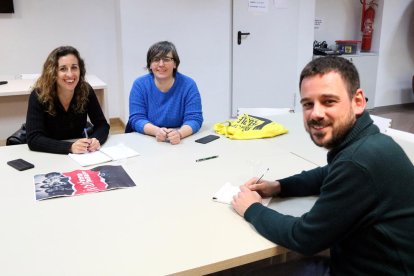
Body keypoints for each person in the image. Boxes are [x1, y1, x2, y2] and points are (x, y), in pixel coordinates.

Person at [232, 56, 414, 275]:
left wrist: (252, 209)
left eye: (329, 101)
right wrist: (280, 186)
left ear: (358, 101)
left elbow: (304, 238)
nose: (316, 114)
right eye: (308, 104)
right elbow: (327, 173)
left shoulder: (357, 162)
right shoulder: (369, 144)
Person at [26, 46, 109, 154]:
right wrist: (69, 147)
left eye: (74, 67)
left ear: (80, 70)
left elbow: (102, 125)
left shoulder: (85, 90)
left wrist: (96, 140)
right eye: (63, 69)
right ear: (53, 73)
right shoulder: (39, 95)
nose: (70, 74)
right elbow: (34, 139)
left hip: (80, 155)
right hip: (49, 154)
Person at [125, 41, 203, 145]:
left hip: (177, 140)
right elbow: (136, 119)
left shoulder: (188, 85)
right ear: (150, 64)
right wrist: (156, 131)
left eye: (166, 59)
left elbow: (194, 118)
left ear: (175, 63)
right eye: (156, 59)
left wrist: (179, 134)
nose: (161, 64)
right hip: (146, 139)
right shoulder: (140, 84)